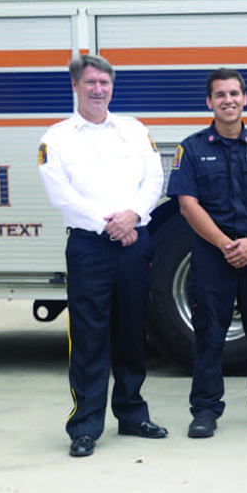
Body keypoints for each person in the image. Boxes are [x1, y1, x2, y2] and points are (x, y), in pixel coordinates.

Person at [38, 54, 167, 458]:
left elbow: (154, 178)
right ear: (75, 86)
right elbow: (61, 194)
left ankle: (132, 414)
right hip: (89, 247)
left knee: (132, 332)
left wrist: (134, 217)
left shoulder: (134, 130)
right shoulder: (56, 138)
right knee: (89, 338)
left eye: (105, 83)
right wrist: (109, 224)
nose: (98, 89)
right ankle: (85, 425)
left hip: (134, 242)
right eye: (91, 82)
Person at [166, 68, 247, 439]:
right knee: (208, 334)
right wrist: (225, 244)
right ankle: (205, 411)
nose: (228, 100)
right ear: (209, 102)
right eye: (220, 94)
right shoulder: (191, 149)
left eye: (234, 93)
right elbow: (187, 205)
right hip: (212, 255)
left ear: (245, 99)